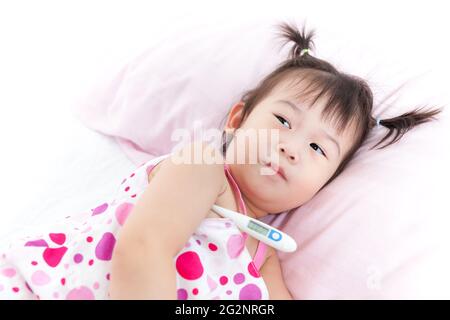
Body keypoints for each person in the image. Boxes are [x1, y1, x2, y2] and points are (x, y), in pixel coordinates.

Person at [0, 22, 441, 300]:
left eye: (317, 149)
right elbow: (144, 250)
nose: (290, 147)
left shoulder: (264, 254)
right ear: (237, 119)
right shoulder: (202, 167)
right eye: (283, 121)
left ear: (324, 185)